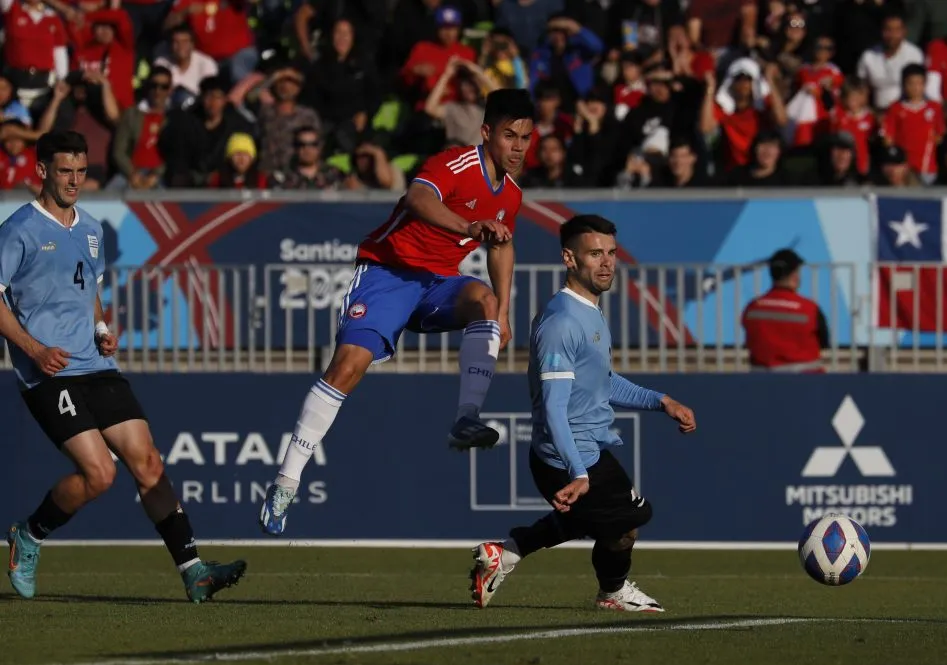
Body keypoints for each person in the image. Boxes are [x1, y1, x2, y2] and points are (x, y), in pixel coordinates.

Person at [258, 88, 535, 535]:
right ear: (486, 133)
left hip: (438, 283)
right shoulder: (455, 164)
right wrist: (468, 226)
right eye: (510, 136)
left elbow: (502, 247)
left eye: (525, 137)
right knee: (346, 368)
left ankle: (466, 418)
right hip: (388, 273)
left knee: (484, 300)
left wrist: (502, 313)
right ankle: (286, 482)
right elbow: (416, 200)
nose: (518, 147)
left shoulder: (512, 193)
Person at [1, 131, 246, 602]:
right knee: (100, 475)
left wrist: (100, 327)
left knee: (149, 462)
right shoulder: (17, 231)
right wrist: (33, 350)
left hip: (96, 364)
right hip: (49, 373)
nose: (74, 180)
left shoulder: (91, 229)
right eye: (64, 171)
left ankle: (194, 570)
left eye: (80, 171)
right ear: (42, 171)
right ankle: (29, 535)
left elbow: (87, 289)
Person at [468, 214, 696, 612]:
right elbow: (555, 407)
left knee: (604, 520)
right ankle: (612, 592)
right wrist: (577, 471)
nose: (607, 262)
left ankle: (507, 552)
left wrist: (660, 401)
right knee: (628, 521)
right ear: (569, 259)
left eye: (610, 253)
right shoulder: (562, 322)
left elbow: (601, 381)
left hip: (583, 450)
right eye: (595, 254)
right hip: (568, 455)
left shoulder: (588, 311)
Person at [741, 248, 829, 372]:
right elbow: (824, 343)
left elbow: (749, 339)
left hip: (762, 386)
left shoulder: (752, 308)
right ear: (795, 276)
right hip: (807, 385)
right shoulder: (810, 309)